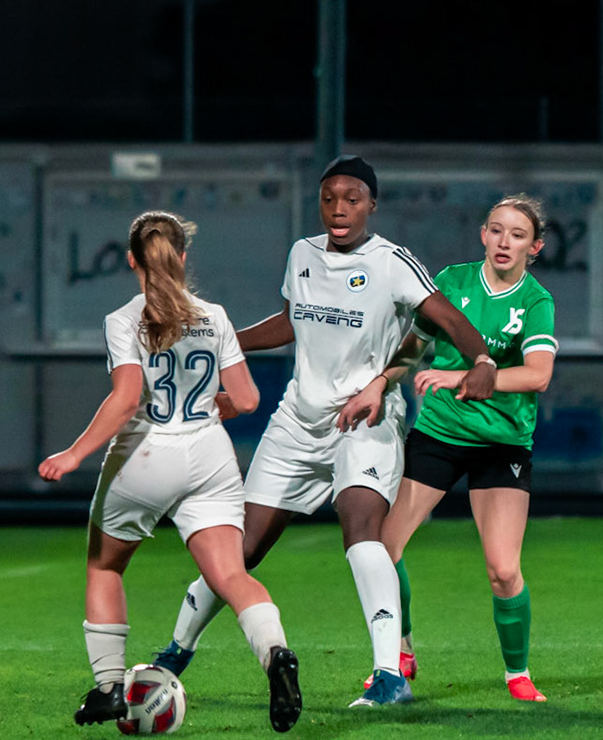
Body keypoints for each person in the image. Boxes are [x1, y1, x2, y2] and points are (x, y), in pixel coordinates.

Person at [150, 155, 499, 709]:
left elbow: (446, 317)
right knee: (239, 549)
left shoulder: (392, 262)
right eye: (329, 198)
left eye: (352, 198)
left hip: (365, 421)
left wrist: (480, 360)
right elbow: (293, 320)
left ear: (372, 205)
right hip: (297, 421)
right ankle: (175, 651)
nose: (339, 208)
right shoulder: (302, 254)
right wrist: (221, 346)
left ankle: (390, 676)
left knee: (362, 530)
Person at [38, 212, 303, 732]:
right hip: (209, 456)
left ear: (133, 260)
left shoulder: (124, 319)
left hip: (147, 456)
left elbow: (127, 399)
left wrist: (73, 454)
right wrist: (211, 405)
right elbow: (248, 399)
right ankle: (277, 657)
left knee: (105, 568)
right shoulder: (216, 315)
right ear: (183, 258)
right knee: (230, 575)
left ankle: (110, 688)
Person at [375, 195, 558, 701]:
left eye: (517, 235)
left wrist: (467, 374)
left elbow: (538, 375)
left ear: (534, 246)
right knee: (382, 550)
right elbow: (414, 345)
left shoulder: (536, 301)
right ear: (483, 234)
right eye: (496, 230)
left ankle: (517, 674)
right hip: (440, 434)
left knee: (503, 570)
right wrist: (381, 381)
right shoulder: (453, 282)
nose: (504, 242)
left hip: (502, 443)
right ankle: (399, 653)